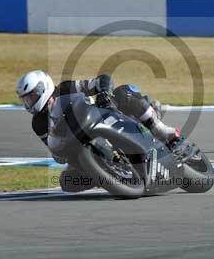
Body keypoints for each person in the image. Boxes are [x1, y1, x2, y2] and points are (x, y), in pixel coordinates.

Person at [16, 70, 181, 190]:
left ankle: (159, 129)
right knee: (67, 181)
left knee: (124, 92)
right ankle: (106, 177)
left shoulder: (66, 88)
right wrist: (60, 154)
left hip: (103, 117)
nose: (28, 102)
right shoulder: (38, 123)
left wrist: (104, 94)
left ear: (42, 89)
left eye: (31, 96)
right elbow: (54, 148)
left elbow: (102, 79)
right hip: (80, 146)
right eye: (25, 99)